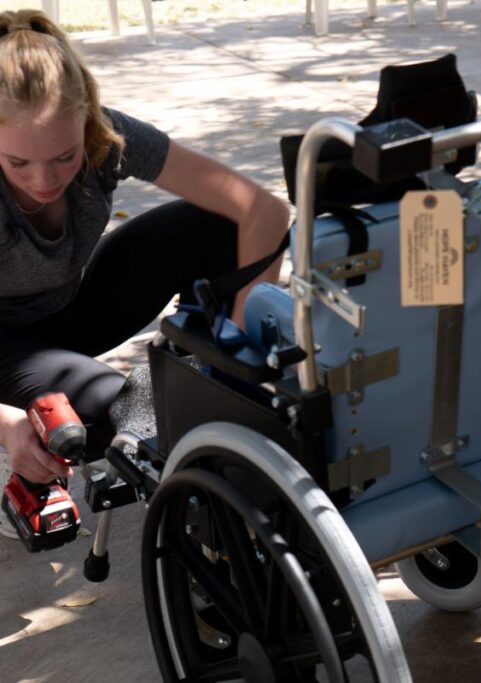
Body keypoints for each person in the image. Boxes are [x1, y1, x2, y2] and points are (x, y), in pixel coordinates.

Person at [0, 9, 290, 527]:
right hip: (3, 348)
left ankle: (217, 384)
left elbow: (262, 210)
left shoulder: (107, 139)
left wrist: (240, 357)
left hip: (70, 309)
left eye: (64, 158)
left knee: (219, 223)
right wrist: (5, 424)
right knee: (128, 409)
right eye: (18, 163)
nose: (43, 180)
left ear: (87, 118)